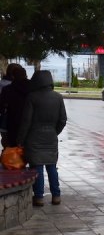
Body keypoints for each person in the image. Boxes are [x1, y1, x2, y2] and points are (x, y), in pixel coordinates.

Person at [17, 70, 67, 206]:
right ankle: (56, 196)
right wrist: (54, 132)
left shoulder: (32, 97)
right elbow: (63, 120)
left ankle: (38, 197)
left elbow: (26, 121)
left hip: (34, 137)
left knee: (37, 167)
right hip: (51, 136)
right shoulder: (58, 97)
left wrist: (20, 140)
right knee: (52, 167)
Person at [0, 63, 30, 147]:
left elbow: (1, 107)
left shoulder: (7, 89)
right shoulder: (33, 89)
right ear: (26, 75)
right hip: (29, 124)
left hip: (11, 124)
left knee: (10, 146)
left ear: (13, 76)